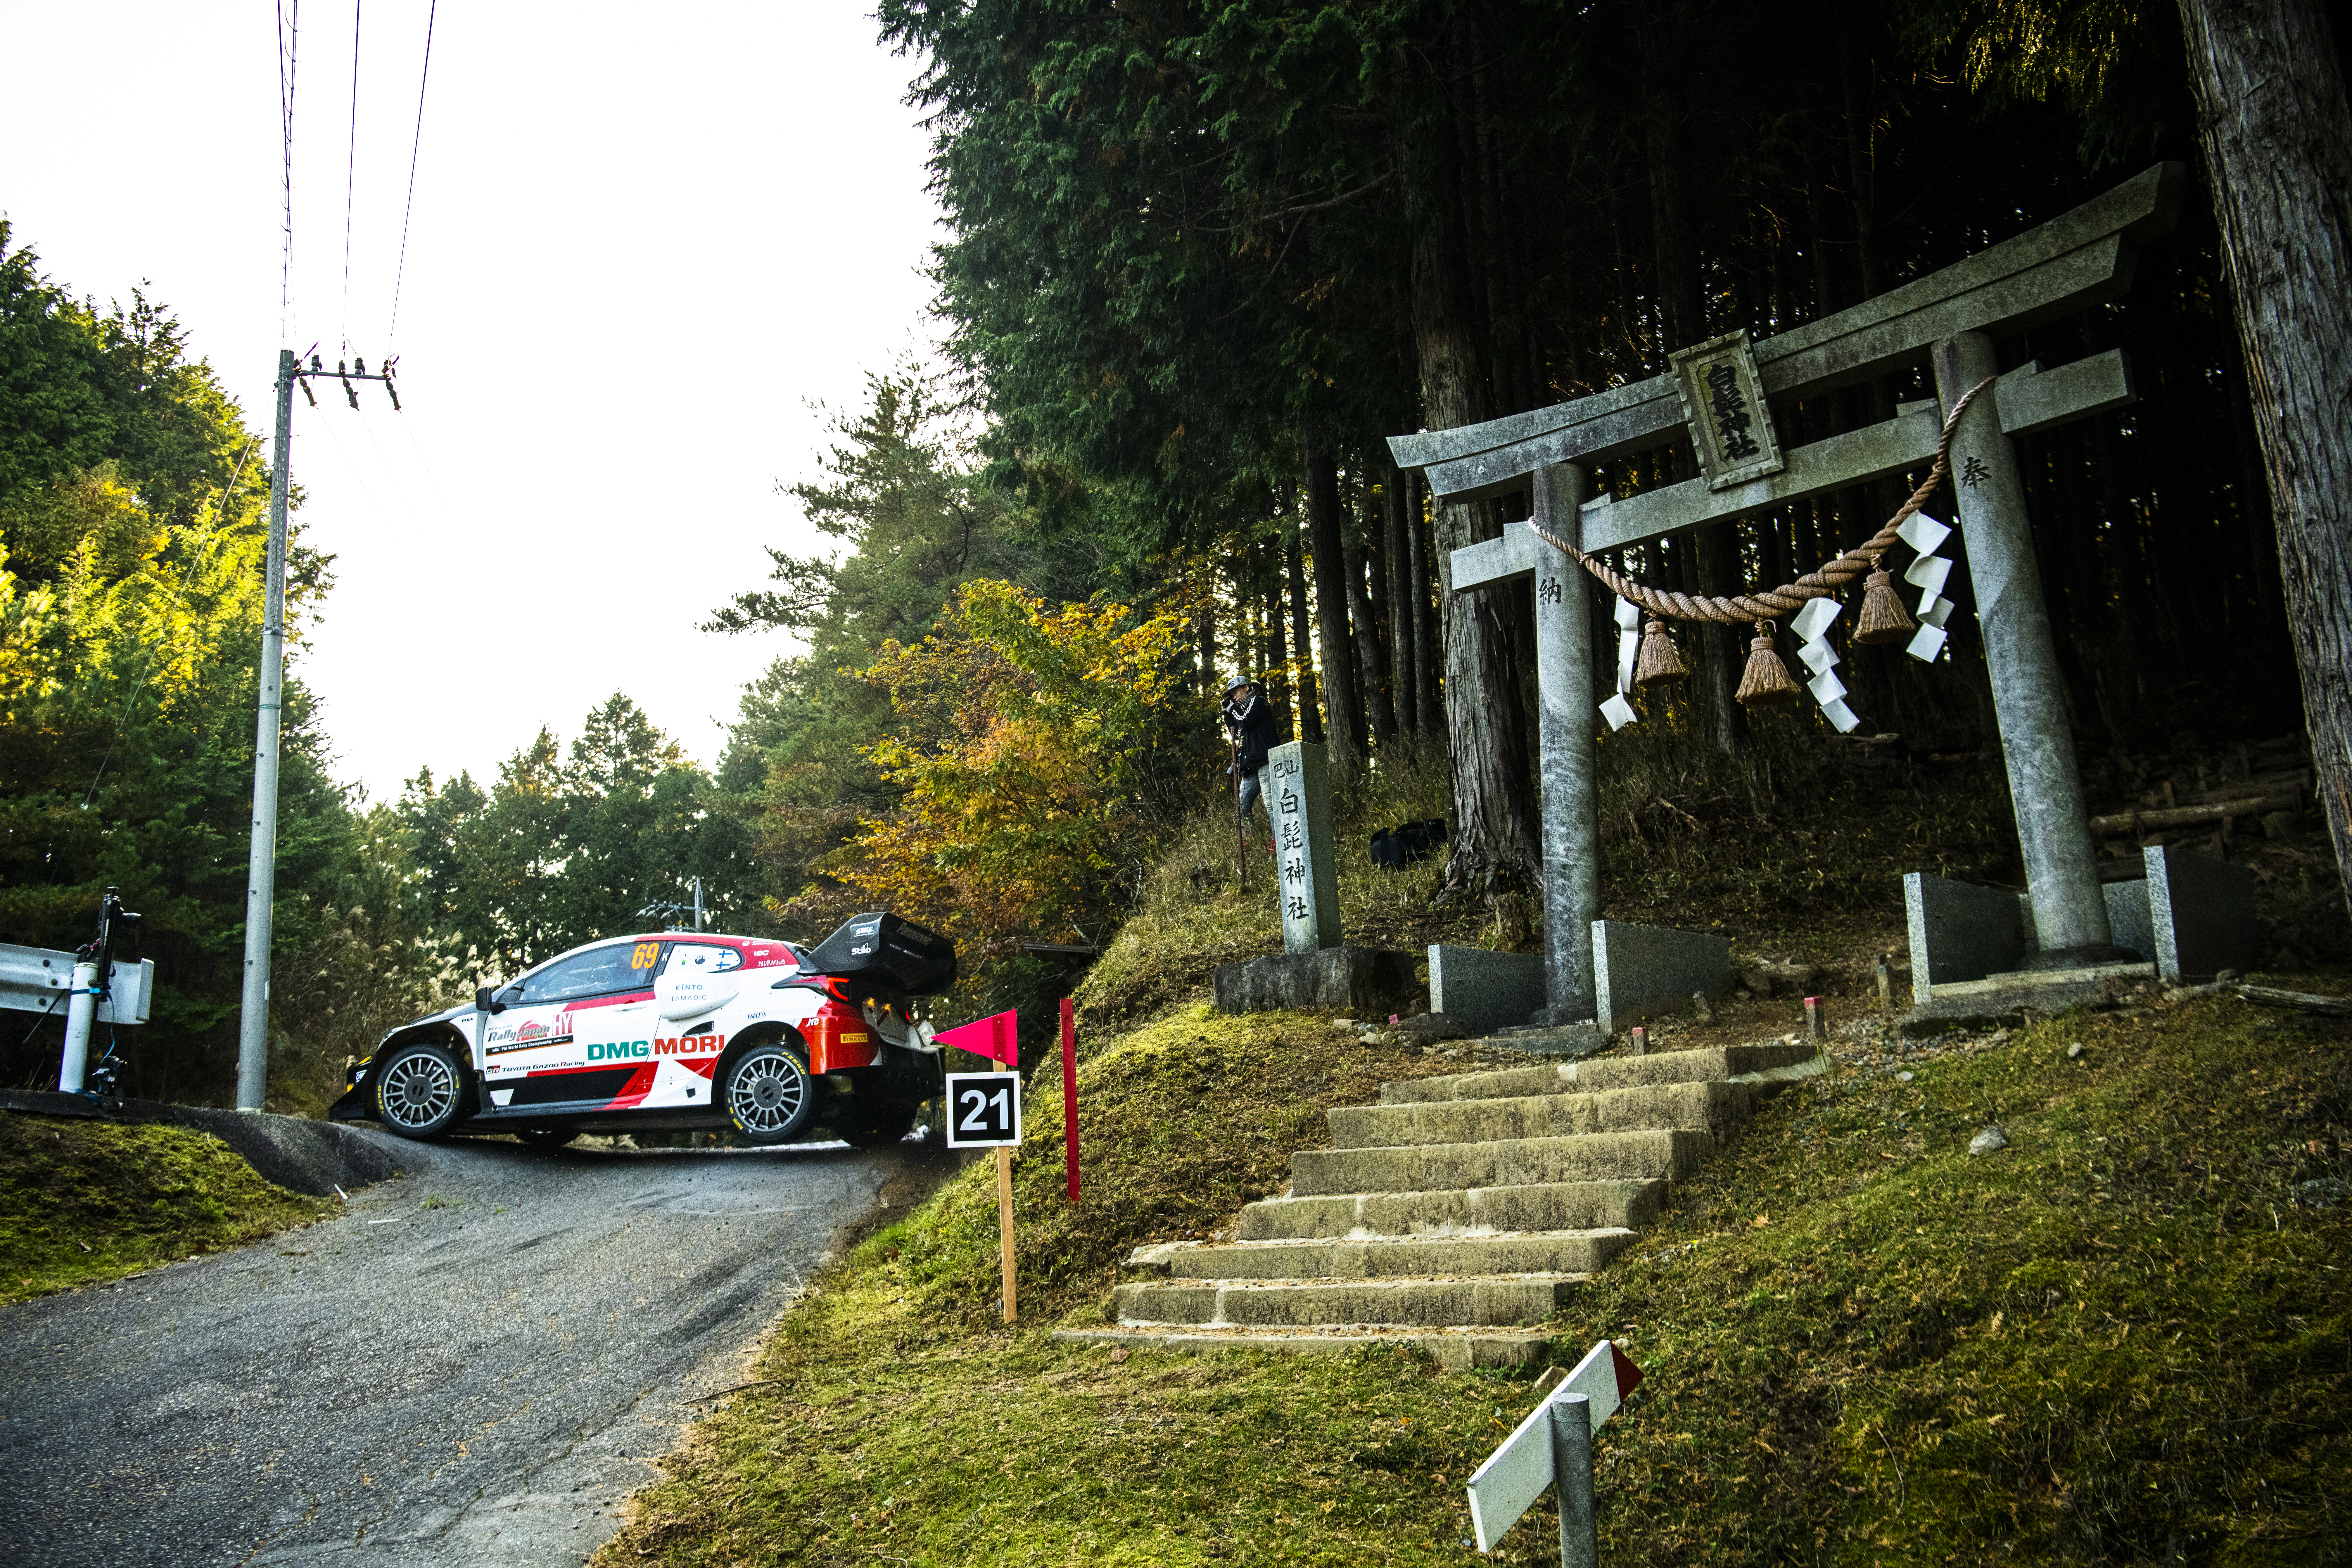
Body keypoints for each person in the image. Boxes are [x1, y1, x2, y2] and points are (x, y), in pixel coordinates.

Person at [1220, 675, 1280, 831]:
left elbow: (1246, 721)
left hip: (1265, 760)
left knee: (1270, 803)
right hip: (1250, 764)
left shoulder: (1258, 701)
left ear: (1246, 688)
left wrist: (1232, 709)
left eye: (1235, 692)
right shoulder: (1242, 709)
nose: (1233, 697)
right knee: (1242, 805)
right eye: (1231, 695)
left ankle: (1276, 841)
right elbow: (1236, 733)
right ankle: (1247, 843)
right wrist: (1228, 713)